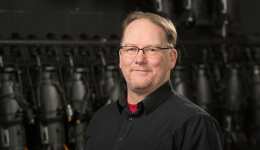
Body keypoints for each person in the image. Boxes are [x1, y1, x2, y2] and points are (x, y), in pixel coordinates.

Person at [84, 11, 223, 150]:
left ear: (172, 58)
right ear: (120, 57)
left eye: (151, 49)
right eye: (131, 49)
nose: (139, 59)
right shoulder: (100, 119)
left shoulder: (194, 124)